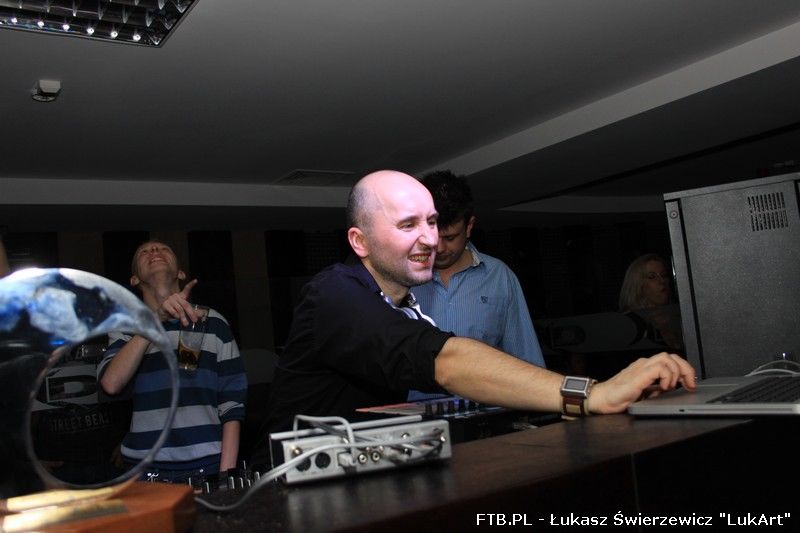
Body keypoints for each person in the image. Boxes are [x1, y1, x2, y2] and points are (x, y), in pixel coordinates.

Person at [259, 170, 695, 438]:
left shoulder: (407, 304)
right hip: (284, 493)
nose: (430, 239)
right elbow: (446, 362)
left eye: (432, 223)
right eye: (408, 225)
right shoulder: (335, 294)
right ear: (360, 241)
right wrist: (592, 394)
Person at [99, 240, 247, 482]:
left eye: (163, 249)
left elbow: (232, 404)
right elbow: (111, 384)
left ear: (180, 273)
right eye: (144, 251)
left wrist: (225, 476)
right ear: (134, 279)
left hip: (208, 465)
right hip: (145, 470)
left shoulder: (213, 322)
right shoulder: (126, 327)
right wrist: (155, 320)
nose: (154, 251)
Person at [413, 170, 545, 367]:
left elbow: (526, 357)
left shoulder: (499, 277)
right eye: (432, 236)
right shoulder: (401, 277)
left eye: (450, 238)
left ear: (469, 226)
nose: (439, 248)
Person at [619, 253, 683, 351]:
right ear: (638, 284)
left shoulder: (678, 318)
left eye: (664, 275)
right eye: (652, 277)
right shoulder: (630, 324)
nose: (662, 281)